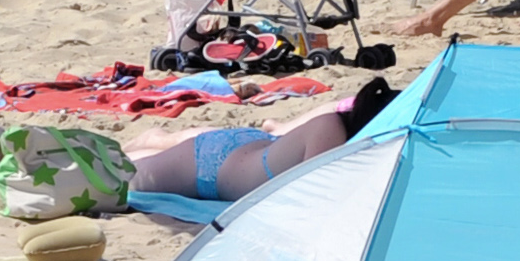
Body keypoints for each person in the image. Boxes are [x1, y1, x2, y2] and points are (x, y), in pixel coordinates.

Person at [127, 73, 398, 207]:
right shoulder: (331, 132)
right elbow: (315, 198)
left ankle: (153, 137)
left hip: (245, 148)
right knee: (122, 173)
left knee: (159, 148)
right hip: (214, 166)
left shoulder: (335, 124)